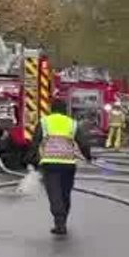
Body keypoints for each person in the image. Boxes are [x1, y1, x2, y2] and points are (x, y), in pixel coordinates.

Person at [29, 98, 93, 236]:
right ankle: (63, 220)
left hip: (50, 163)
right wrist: (88, 157)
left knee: (54, 193)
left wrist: (32, 160)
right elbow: (83, 142)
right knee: (65, 193)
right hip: (68, 164)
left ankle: (59, 223)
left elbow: (36, 142)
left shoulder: (44, 122)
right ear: (65, 110)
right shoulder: (72, 123)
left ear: (52, 109)